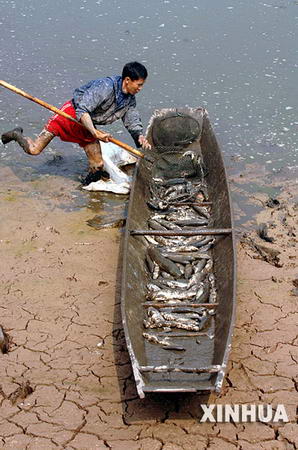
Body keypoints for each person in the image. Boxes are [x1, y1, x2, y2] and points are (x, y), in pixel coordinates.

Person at [1, 61, 151, 184]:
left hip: (87, 125)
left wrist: (139, 137)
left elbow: (132, 121)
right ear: (127, 80)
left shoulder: (130, 100)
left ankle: (85, 187)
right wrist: (95, 133)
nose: (140, 88)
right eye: (139, 84)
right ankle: (16, 134)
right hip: (69, 116)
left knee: (98, 165)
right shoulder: (105, 87)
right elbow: (82, 111)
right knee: (34, 150)